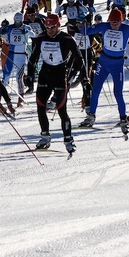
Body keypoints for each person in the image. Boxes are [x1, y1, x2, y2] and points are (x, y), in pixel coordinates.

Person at [79, 8, 129, 133]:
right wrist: (86, 22)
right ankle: (91, 116)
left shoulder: (126, 29)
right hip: (104, 62)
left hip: (117, 64)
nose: (114, 25)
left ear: (121, 21)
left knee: (118, 93)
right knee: (96, 89)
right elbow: (85, 32)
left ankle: (123, 118)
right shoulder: (105, 26)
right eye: (112, 22)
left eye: (116, 22)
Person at [25, 13, 84, 153]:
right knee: (40, 106)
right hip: (45, 74)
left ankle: (68, 139)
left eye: (53, 27)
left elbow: (79, 60)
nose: (50, 30)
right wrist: (30, 77)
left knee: (61, 110)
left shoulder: (67, 39)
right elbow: (32, 59)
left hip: (59, 74)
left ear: (58, 25)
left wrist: (76, 77)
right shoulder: (41, 38)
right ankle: (45, 137)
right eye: (47, 27)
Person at [0, 12, 33, 106]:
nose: (18, 24)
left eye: (19, 22)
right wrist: (2, 30)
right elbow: (1, 32)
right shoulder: (10, 27)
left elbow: (34, 35)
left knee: (19, 78)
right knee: (6, 77)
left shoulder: (26, 27)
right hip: (11, 55)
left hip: (21, 56)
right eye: (16, 22)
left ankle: (20, 99)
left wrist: (27, 32)